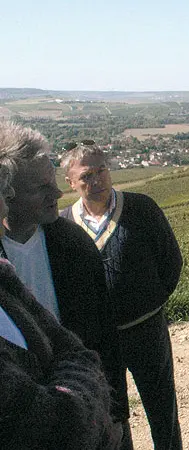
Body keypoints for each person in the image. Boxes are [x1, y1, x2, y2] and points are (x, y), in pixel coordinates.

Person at [0, 121, 129, 446]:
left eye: (53, 182)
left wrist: (116, 412)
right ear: (8, 194)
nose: (57, 194)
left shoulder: (73, 243)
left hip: (90, 413)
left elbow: (103, 335)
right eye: (41, 188)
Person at [60, 142, 184, 450]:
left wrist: (151, 304)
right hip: (99, 341)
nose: (97, 180)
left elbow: (171, 260)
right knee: (112, 416)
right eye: (86, 176)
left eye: (101, 171)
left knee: (162, 409)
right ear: (71, 182)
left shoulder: (142, 209)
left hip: (147, 331)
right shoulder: (65, 225)